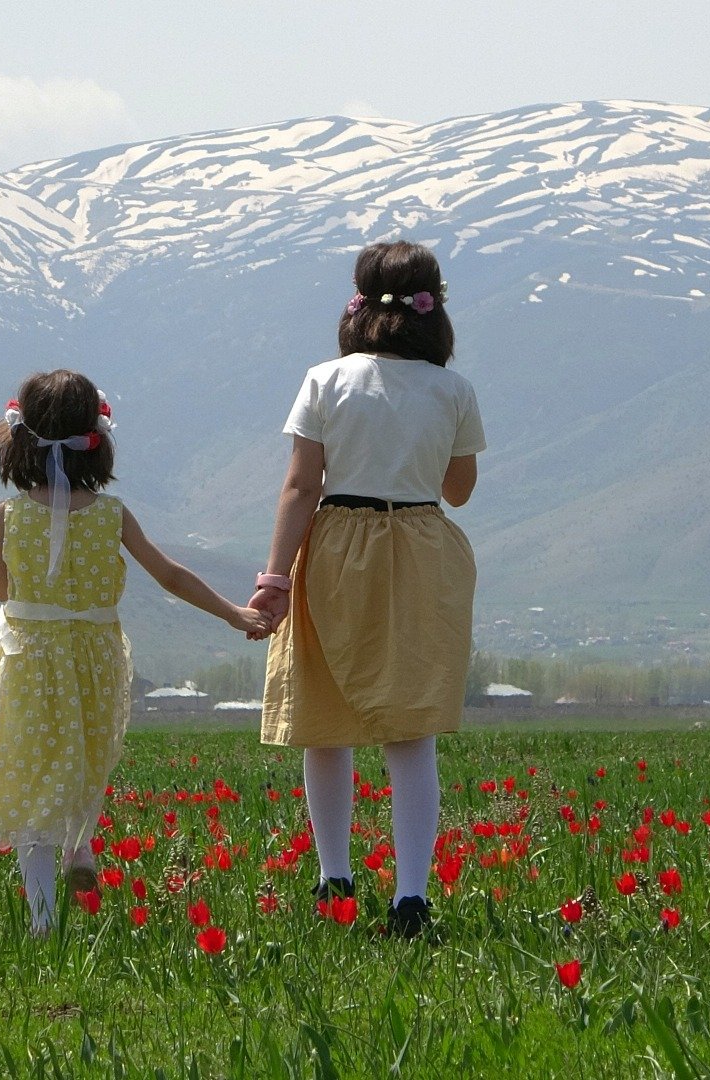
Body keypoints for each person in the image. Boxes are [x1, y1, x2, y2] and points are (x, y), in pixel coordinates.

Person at [0, 369, 270, 935]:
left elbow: (1, 592)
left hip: (28, 661)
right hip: (95, 656)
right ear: (97, 437)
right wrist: (234, 614)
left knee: (29, 773)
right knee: (86, 757)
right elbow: (170, 576)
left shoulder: (12, 515)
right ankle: (80, 845)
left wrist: (4, 548)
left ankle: (43, 919)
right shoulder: (112, 514)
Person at [250, 241, 484, 938]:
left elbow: (301, 485)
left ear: (357, 302)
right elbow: (459, 491)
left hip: (334, 547)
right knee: (410, 730)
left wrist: (273, 578)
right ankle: (411, 896)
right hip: (419, 547)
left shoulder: (325, 380)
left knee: (326, 721)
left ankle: (333, 878)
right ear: (432, 306)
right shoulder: (453, 389)